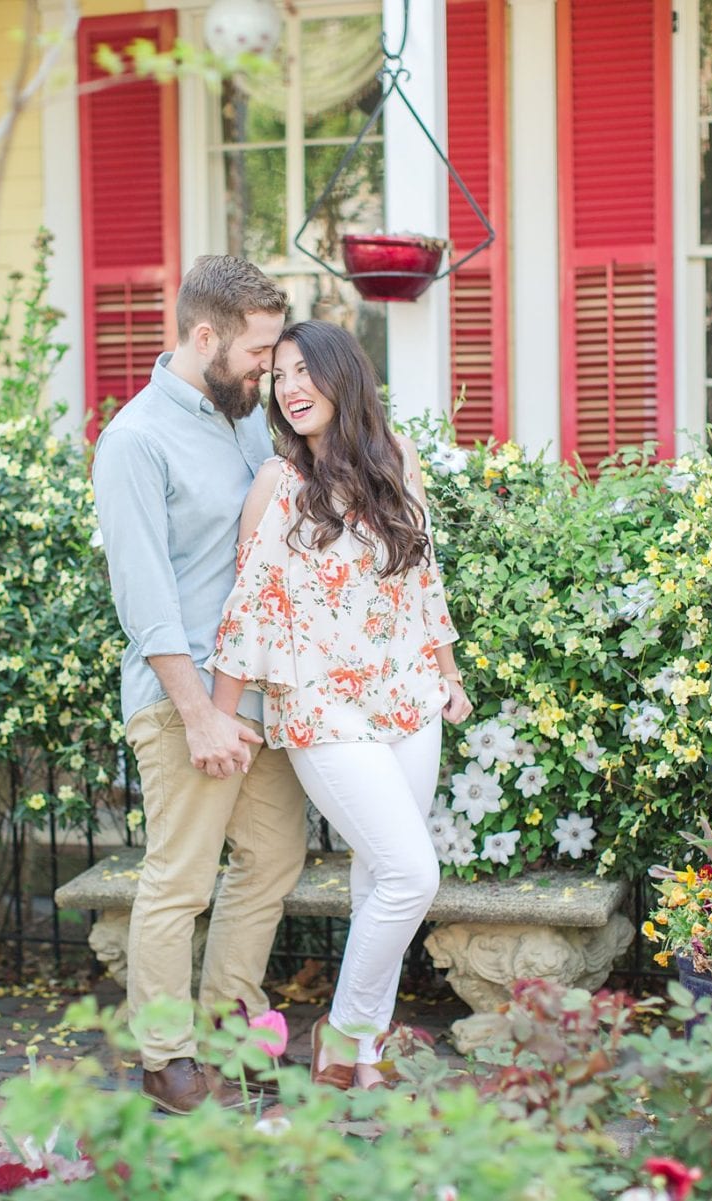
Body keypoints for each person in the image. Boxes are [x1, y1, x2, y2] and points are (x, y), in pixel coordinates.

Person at [207, 319, 471, 1091]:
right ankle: (344, 1031)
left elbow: (425, 577)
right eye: (279, 374)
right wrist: (223, 712)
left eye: (302, 371)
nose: (289, 388)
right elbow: (246, 609)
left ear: (342, 377)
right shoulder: (276, 484)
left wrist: (448, 671)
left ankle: (365, 1054)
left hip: (410, 697)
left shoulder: (397, 463)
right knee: (411, 873)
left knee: (375, 880)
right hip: (322, 712)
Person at [91, 255, 311, 1115]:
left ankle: (228, 1029)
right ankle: (166, 1058)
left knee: (274, 858)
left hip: (259, 693)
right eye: (258, 354)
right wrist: (196, 716)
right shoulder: (135, 440)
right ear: (204, 335)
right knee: (179, 879)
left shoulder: (243, 418)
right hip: (183, 702)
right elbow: (144, 599)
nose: (269, 371)